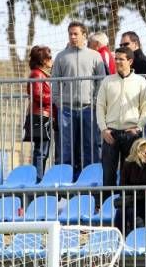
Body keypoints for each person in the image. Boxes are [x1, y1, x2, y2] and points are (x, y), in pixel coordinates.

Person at [52, 21, 106, 178]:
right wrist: (58, 101)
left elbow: (101, 81)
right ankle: (67, 183)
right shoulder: (61, 57)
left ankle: (92, 179)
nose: (73, 37)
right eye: (70, 34)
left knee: (90, 146)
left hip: (88, 108)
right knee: (66, 148)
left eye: (76, 34)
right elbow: (55, 81)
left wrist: (96, 102)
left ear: (84, 35)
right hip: (66, 110)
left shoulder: (95, 56)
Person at [97, 47, 146, 189]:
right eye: (116, 58)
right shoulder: (107, 81)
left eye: (121, 59)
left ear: (130, 61)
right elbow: (100, 107)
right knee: (108, 173)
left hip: (131, 134)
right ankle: (107, 206)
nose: (118, 62)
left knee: (129, 173)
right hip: (110, 134)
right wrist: (103, 129)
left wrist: (139, 127)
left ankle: (126, 206)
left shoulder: (140, 81)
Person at [113, 138, 146, 234]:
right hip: (133, 199)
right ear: (138, 154)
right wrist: (142, 191)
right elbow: (123, 186)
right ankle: (119, 239)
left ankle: (139, 239)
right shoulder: (128, 164)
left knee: (130, 211)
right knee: (122, 211)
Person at [119, 32, 146, 140]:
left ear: (135, 44)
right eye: (121, 45)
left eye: (126, 44)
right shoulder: (133, 61)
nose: (123, 47)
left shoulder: (141, 62)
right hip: (137, 108)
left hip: (142, 108)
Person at [25, 45, 55, 180]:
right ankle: (38, 178)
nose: (51, 60)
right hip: (40, 116)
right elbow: (38, 95)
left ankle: (38, 177)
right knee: (41, 151)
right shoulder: (37, 74)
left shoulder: (43, 74)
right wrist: (55, 97)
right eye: (49, 57)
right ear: (43, 60)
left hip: (45, 114)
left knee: (43, 150)